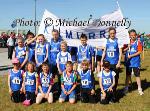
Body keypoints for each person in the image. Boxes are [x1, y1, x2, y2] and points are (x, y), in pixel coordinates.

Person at [101, 27, 122, 91]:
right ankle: (107, 91)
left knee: (115, 78)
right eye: (111, 33)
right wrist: (102, 60)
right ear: (109, 34)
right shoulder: (106, 41)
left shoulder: (118, 40)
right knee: (108, 77)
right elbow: (104, 52)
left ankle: (114, 93)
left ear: (115, 33)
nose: (112, 35)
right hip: (107, 63)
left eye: (113, 33)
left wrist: (119, 62)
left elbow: (120, 53)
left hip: (115, 63)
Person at [123, 29, 144, 95]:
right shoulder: (127, 42)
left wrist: (131, 55)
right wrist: (127, 47)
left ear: (136, 35)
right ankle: (126, 88)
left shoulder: (138, 42)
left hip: (135, 62)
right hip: (128, 62)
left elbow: (140, 52)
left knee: (137, 76)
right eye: (131, 35)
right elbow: (123, 51)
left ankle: (139, 89)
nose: (133, 36)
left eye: (134, 35)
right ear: (129, 36)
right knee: (128, 76)